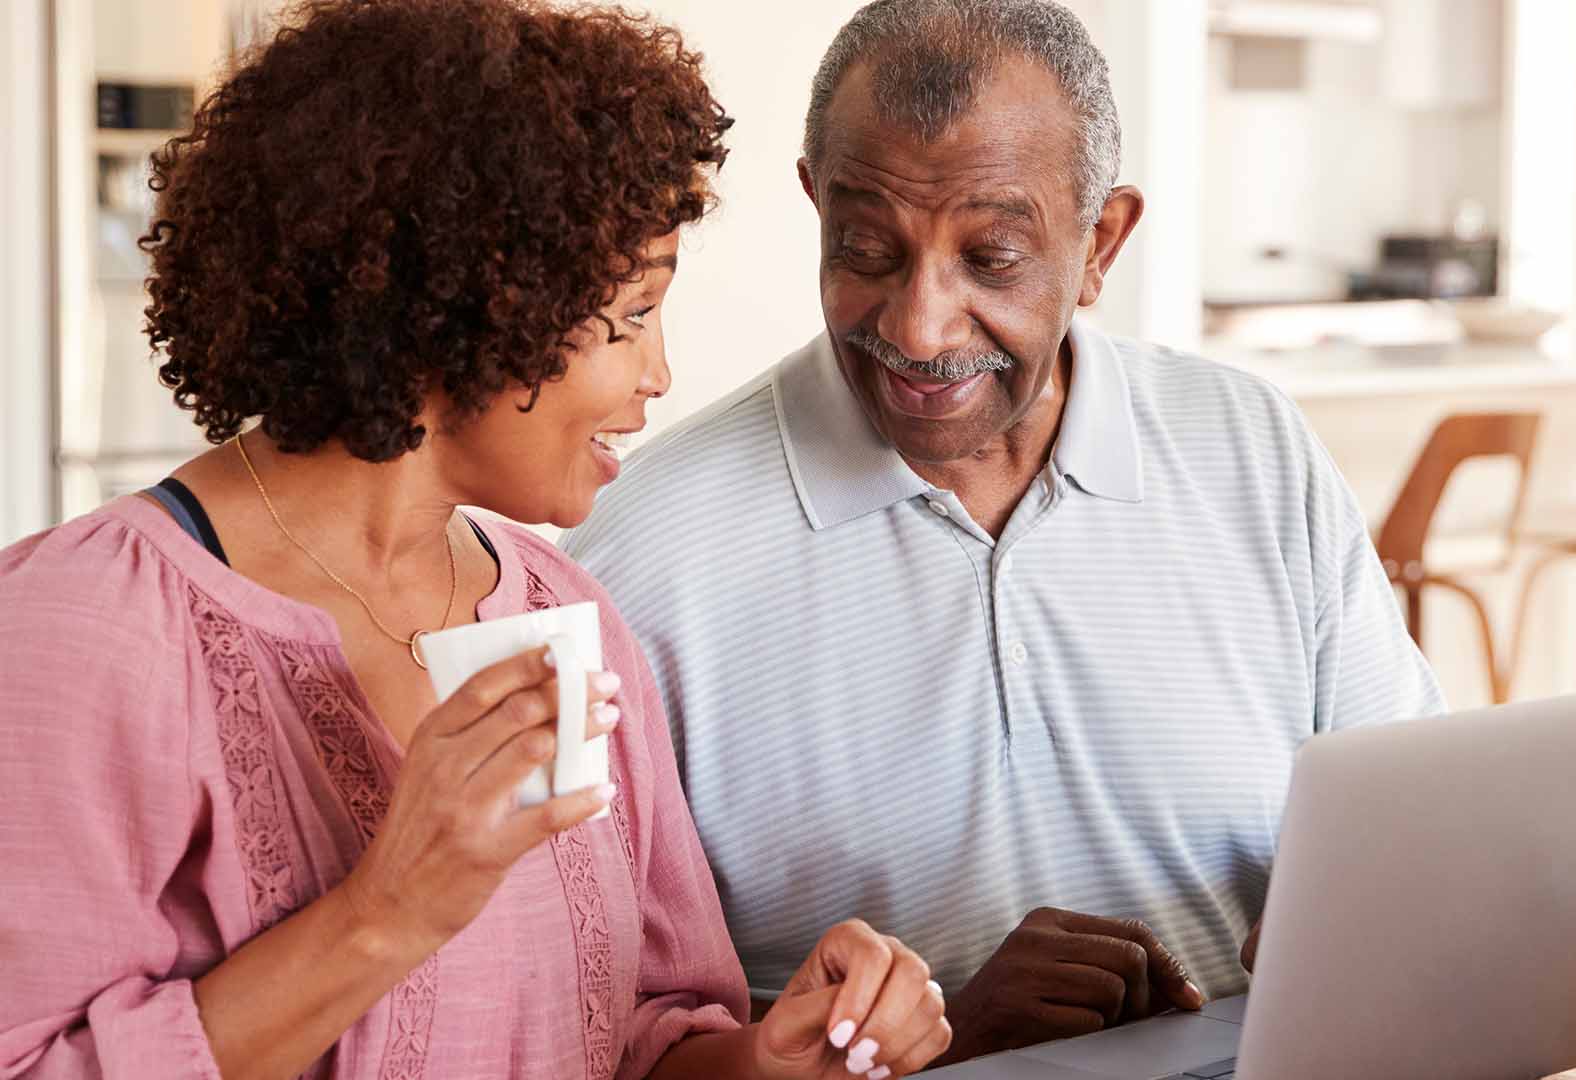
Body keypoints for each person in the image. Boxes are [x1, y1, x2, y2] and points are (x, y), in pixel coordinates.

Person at [0, 2, 948, 1077]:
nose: (658, 374)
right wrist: (387, 913)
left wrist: (771, 1060)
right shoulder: (77, 630)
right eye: (633, 315)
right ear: (467, 307)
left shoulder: (560, 612)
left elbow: (633, 1034)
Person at [562, 0, 1444, 1065]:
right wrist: (944, 1044)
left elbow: (1414, 824)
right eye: (867, 250)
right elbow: (593, 1036)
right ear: (816, 205)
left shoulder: (1253, 449)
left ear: (1100, 243)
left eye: (993, 258)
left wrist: (1347, 928)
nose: (921, 328)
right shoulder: (639, 557)